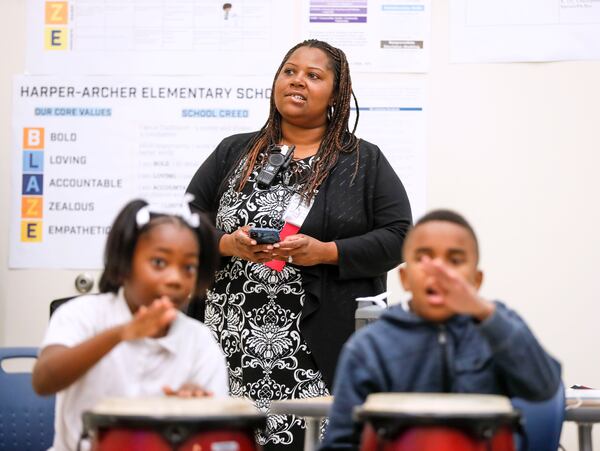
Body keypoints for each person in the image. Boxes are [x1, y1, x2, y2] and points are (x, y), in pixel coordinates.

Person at [186, 39, 412, 450]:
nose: (298, 81)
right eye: (289, 71)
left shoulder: (363, 161)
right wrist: (227, 245)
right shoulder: (234, 151)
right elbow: (187, 221)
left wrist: (327, 252)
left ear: (336, 93)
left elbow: (400, 236)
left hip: (319, 345)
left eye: (313, 75)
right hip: (229, 339)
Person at [320, 209, 562, 451]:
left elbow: (544, 387)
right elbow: (341, 442)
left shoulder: (498, 325)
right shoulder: (369, 346)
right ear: (404, 278)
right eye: (424, 258)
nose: (439, 271)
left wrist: (484, 313)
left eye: (455, 261)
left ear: (476, 280)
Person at [32, 198, 229, 451]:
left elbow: (216, 437)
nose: (175, 278)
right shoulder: (82, 314)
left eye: (189, 267)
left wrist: (199, 410)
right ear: (124, 264)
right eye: (159, 262)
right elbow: (43, 381)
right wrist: (122, 333)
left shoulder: (199, 340)